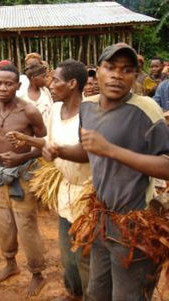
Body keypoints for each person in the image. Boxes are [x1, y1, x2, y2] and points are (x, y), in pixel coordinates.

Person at [43, 44, 169, 301]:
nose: (117, 75)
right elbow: (88, 150)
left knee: (127, 295)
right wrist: (59, 151)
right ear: (97, 71)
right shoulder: (87, 108)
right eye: (110, 67)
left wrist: (111, 149)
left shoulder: (145, 109)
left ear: (135, 76)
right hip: (100, 217)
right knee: (97, 291)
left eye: (127, 70)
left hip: (133, 224)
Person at [6, 60, 91, 301]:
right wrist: (28, 140)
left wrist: (56, 152)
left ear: (72, 84)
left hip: (87, 194)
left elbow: (86, 152)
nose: (50, 84)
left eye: (56, 80)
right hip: (65, 191)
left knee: (85, 255)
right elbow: (50, 143)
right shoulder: (55, 110)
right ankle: (73, 293)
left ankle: (88, 296)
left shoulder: (89, 113)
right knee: (67, 253)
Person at [0, 64, 46, 297]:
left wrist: (23, 155)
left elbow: (45, 144)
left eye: (9, 83)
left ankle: (37, 273)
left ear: (18, 86)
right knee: (4, 223)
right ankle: (10, 263)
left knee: (26, 225)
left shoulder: (29, 111)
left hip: (24, 175)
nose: (3, 87)